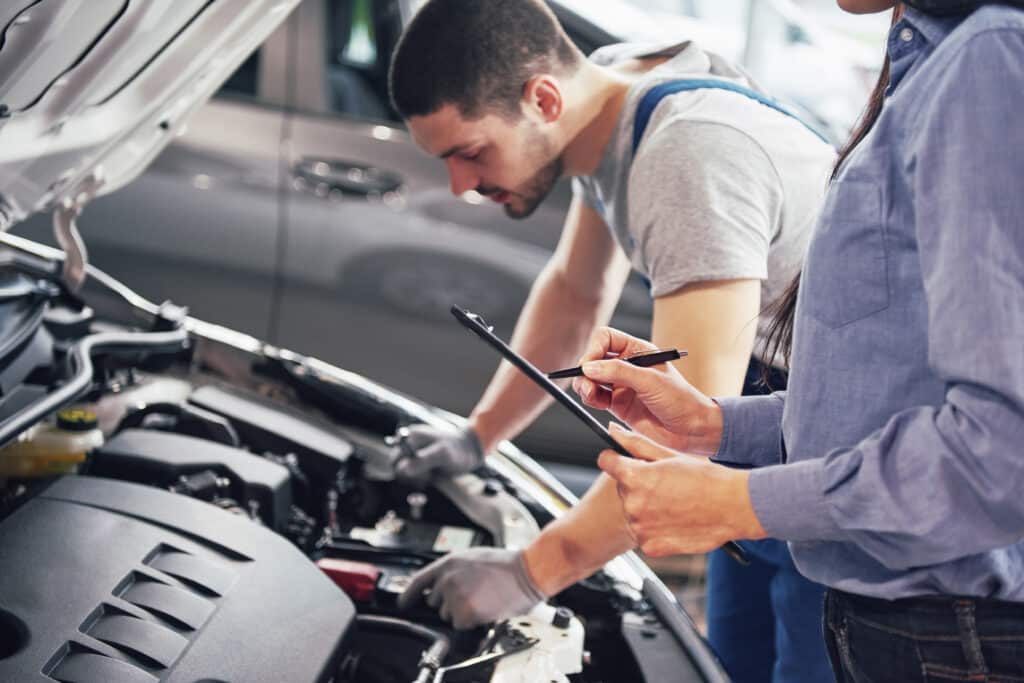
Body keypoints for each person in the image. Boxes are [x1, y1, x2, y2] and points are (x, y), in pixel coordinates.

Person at [567, 1, 1024, 680]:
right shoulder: (932, 60)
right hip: (913, 627)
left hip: (954, 638)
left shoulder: (988, 58)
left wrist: (737, 502)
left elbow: (1000, 452)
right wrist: (715, 425)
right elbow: (894, 396)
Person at [387, 1, 836, 680]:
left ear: (542, 98)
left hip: (837, 471)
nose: (461, 187)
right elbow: (575, 293)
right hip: (761, 434)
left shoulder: (684, 154)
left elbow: (672, 442)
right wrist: (478, 436)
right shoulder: (605, 90)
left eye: (469, 153)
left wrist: (530, 571)